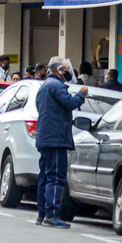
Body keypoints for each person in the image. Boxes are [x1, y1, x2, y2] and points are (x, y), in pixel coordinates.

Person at [35, 56, 89, 229]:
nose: (68, 72)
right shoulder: (56, 86)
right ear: (59, 70)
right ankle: (51, 215)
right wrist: (81, 94)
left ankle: (42, 213)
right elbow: (70, 103)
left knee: (45, 175)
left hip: (46, 137)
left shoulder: (44, 87)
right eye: (66, 69)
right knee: (56, 177)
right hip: (56, 138)